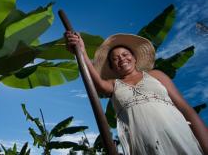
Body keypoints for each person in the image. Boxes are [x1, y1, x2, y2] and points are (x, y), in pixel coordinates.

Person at [65, 31, 208, 155]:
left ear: (134, 58)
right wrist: (81, 52)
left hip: (179, 135)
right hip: (143, 146)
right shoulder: (113, 85)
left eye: (125, 54)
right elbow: (96, 84)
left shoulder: (156, 75)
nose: (121, 59)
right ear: (113, 67)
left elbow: (186, 109)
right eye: (115, 58)